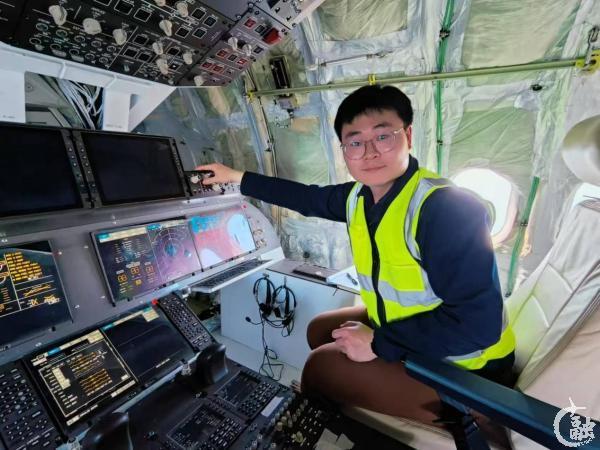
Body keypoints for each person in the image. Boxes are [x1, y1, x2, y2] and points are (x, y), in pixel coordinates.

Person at [197, 85, 515, 426]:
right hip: (418, 328)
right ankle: (349, 400)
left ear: (408, 136)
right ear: (344, 150)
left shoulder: (446, 209)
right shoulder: (359, 197)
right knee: (321, 330)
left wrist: (378, 343)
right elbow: (306, 198)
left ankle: (324, 425)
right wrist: (237, 178)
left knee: (321, 368)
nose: (370, 153)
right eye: (355, 142)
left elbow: (479, 325)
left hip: (469, 368)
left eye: (383, 137)